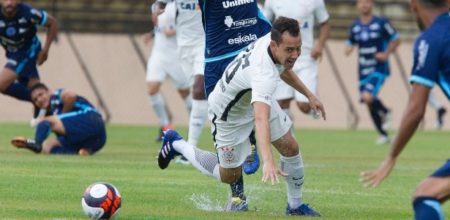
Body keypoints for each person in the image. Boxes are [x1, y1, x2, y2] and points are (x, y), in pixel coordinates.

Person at [158, 17, 325, 216]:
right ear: (274, 45)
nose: (295, 55)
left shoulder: (273, 47)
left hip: (251, 96)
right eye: (290, 50)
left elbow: (283, 69)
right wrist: (268, 160)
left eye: (298, 48)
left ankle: (295, 206)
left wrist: (309, 95)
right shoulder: (262, 72)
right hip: (228, 113)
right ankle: (176, 143)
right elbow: (261, 118)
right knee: (229, 175)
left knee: (290, 146)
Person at [153, 0, 272, 210]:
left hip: (224, 49)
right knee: (228, 135)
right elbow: (159, 11)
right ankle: (238, 196)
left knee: (206, 93)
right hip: (196, 50)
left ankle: (252, 142)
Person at [361, 1, 450, 219]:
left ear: (413, 4)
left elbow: (416, 109)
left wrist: (391, 156)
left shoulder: (430, 41)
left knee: (425, 197)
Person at [345, 0, 400, 145]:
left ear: (372, 4)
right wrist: (348, 48)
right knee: (368, 102)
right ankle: (383, 134)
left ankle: (386, 112)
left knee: (368, 97)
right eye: (361, 2)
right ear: (357, 5)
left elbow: (396, 39)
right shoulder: (355, 26)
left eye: (367, 2)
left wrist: (387, 53)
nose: (364, 5)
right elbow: (349, 43)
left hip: (379, 67)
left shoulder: (381, 23)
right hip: (363, 70)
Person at [264, 0, 331, 120]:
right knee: (281, 103)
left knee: (304, 105)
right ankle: (289, 134)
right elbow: (265, 24)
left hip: (306, 56)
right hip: (283, 58)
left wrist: (319, 45)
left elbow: (325, 23)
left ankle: (312, 98)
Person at [11, 83, 106, 155]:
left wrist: (62, 115)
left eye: (41, 94)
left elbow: (70, 95)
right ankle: (81, 152)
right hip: (97, 141)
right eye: (35, 99)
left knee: (46, 121)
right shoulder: (51, 112)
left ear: (49, 92)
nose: (39, 99)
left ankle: (36, 142)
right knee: (47, 148)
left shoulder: (55, 97)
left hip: (91, 119)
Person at [144, 2, 192, 143]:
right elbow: (159, 25)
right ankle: (166, 126)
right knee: (152, 89)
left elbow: (192, 26)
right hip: (158, 54)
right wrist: (152, 34)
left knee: (185, 93)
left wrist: (176, 31)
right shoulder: (156, 5)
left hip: (176, 56)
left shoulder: (182, 5)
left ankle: (194, 125)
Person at [0, 1, 57, 115]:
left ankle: (38, 100)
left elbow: (52, 23)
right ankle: (48, 107)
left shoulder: (28, 13)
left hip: (28, 51)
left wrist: (45, 50)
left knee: (2, 84)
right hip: (12, 53)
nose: (9, 2)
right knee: (34, 87)